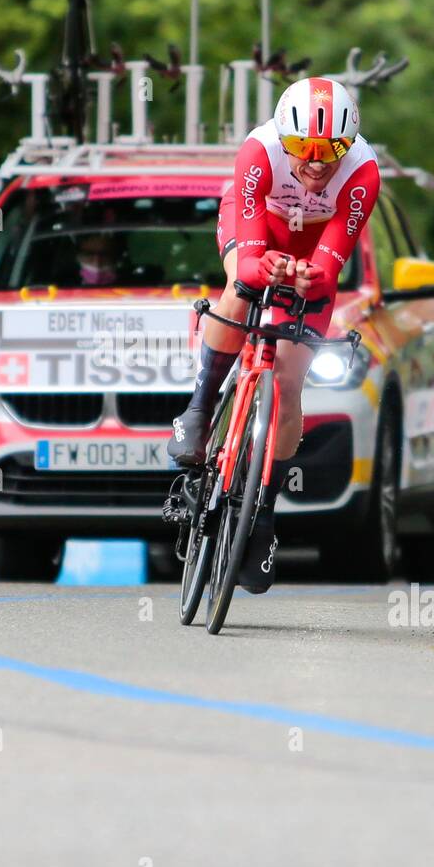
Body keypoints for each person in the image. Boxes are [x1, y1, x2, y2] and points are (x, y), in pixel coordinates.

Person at [167, 76, 381, 593]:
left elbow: (330, 265)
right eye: (302, 148)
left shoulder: (363, 173)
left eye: (328, 150)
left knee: (288, 380)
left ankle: (262, 514)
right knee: (240, 288)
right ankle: (199, 407)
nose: (314, 161)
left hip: (313, 244)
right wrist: (268, 266)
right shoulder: (259, 151)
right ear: (284, 140)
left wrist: (309, 275)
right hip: (257, 226)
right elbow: (250, 259)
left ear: (347, 146)